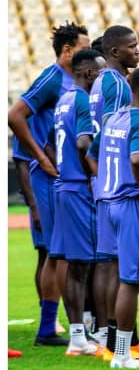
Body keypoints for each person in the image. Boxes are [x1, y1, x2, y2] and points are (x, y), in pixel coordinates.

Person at [8, 20, 91, 346]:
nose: (89, 52)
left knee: (51, 252)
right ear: (68, 50)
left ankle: (51, 324)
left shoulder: (73, 82)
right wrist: (42, 161)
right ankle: (51, 329)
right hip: (49, 176)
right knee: (59, 252)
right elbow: (14, 115)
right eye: (84, 47)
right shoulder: (52, 79)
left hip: (57, 174)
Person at [87, 25, 139, 359]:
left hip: (107, 197)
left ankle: (110, 344)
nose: (138, 50)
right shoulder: (135, 111)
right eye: (132, 46)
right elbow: (135, 156)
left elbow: (94, 149)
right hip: (129, 200)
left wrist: (107, 181)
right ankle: (122, 351)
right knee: (129, 277)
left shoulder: (110, 105)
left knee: (110, 268)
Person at [52, 48, 105, 356]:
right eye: (98, 74)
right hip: (78, 188)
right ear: (87, 73)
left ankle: (79, 335)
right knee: (83, 265)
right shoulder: (83, 100)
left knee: (76, 265)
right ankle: (79, 337)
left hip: (63, 184)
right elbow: (84, 142)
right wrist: (98, 177)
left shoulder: (64, 100)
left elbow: (50, 139)